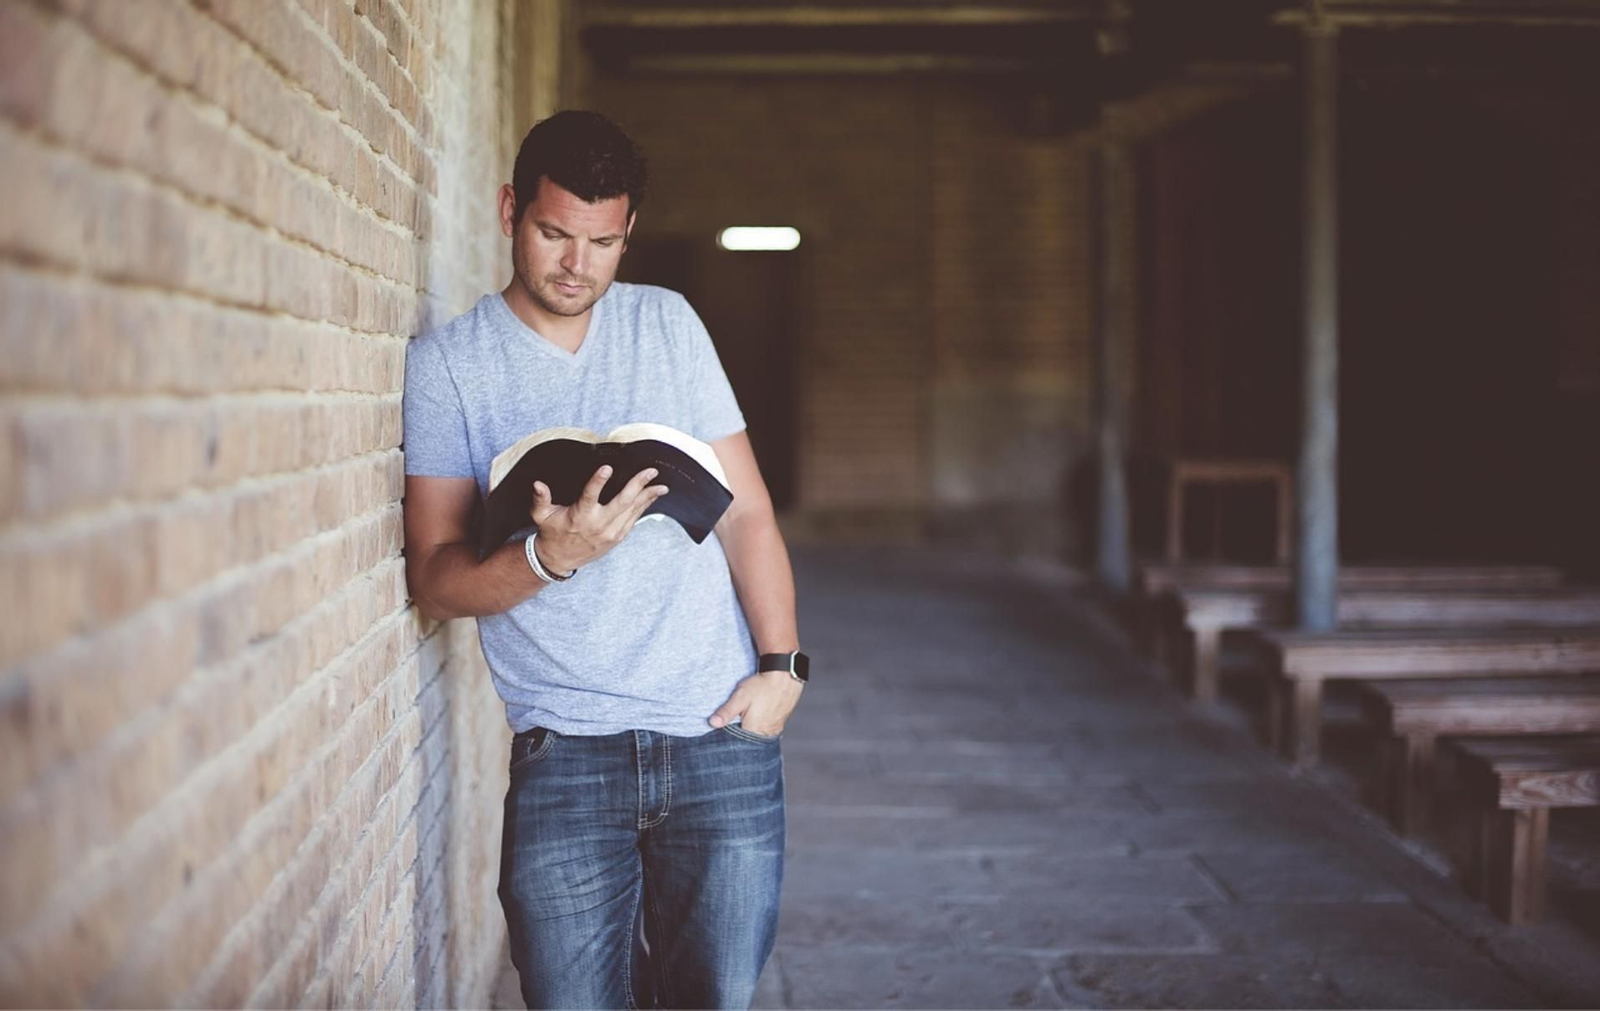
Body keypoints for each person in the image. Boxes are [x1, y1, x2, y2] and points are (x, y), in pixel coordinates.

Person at [401, 110, 807, 1009]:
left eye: (602, 242)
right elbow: (433, 575)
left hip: (718, 734)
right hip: (565, 751)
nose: (576, 265)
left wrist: (782, 666)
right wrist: (551, 559)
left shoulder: (668, 324)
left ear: (627, 235)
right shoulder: (450, 367)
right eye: (553, 234)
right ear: (511, 209)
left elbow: (746, 514)